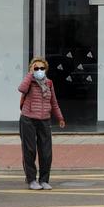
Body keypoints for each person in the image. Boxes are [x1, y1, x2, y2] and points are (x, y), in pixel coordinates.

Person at [16, 56, 65, 190]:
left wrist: (60, 117)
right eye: (36, 68)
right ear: (32, 69)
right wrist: (30, 74)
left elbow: (53, 102)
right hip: (28, 119)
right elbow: (21, 89)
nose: (39, 70)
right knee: (29, 150)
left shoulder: (49, 83)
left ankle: (44, 179)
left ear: (46, 69)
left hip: (44, 120)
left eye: (42, 68)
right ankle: (31, 179)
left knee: (46, 151)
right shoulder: (29, 81)